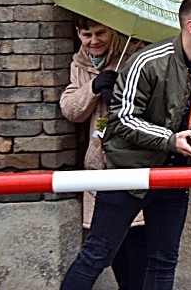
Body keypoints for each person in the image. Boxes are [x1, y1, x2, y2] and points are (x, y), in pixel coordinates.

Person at [61, 0, 191, 290]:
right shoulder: (147, 62)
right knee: (97, 255)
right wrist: (170, 140)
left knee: (164, 262)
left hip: (175, 177)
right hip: (128, 174)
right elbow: (123, 119)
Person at [60, 16, 146, 289]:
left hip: (130, 165)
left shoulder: (134, 55)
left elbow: (150, 103)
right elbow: (71, 110)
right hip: (99, 166)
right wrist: (94, 88)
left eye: (101, 33)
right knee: (107, 250)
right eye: (87, 35)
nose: (94, 41)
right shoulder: (80, 63)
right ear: (78, 34)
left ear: (113, 30)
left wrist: (119, 94)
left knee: (136, 244)